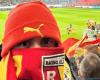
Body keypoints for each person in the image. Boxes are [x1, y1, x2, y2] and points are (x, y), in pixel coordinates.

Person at [0, 1, 74, 80]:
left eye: (46, 42)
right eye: (24, 43)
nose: (37, 50)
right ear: (8, 50)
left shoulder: (67, 71)